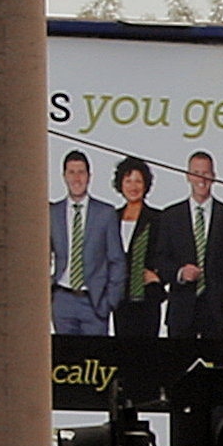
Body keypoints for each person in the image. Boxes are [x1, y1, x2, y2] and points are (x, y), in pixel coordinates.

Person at [148, 150, 223, 346]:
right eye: (197, 173)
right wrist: (180, 273)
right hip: (182, 311)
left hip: (218, 312)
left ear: (214, 177)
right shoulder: (170, 216)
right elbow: (160, 260)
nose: (201, 179)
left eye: (206, 173)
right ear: (188, 176)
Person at [49, 149, 117, 340]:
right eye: (71, 172)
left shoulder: (105, 213)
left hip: (94, 302)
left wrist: (109, 301)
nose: (76, 178)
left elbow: (116, 260)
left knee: (94, 363)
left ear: (89, 176)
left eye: (81, 172)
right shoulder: (53, 213)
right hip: (62, 300)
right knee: (65, 362)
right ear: (64, 176)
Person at [102, 155, 166, 348]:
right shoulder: (111, 217)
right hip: (120, 299)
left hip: (147, 299)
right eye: (128, 180)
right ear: (120, 184)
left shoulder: (158, 218)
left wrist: (159, 277)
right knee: (122, 351)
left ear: (146, 185)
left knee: (147, 354)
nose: (133, 186)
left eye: (138, 181)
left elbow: (167, 252)